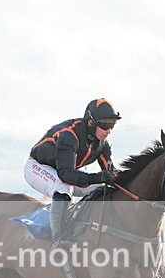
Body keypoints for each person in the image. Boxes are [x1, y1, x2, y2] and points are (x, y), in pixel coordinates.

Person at [25, 98, 121, 248]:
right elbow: (65, 175)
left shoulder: (102, 143)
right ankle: (57, 240)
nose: (109, 131)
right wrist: (98, 177)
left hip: (63, 171)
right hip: (37, 167)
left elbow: (109, 172)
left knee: (101, 189)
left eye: (112, 125)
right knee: (63, 188)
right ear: (90, 122)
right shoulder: (69, 135)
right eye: (105, 125)